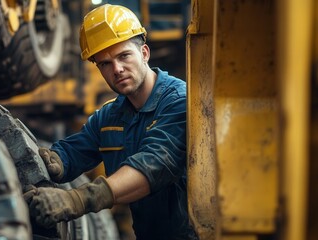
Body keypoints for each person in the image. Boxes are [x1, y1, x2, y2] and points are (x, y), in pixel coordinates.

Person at [23, 4, 198, 239]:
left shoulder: (180, 102)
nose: (117, 69)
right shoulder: (110, 116)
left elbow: (154, 164)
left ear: (144, 53)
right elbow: (76, 150)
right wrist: (52, 161)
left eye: (124, 56)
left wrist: (77, 199)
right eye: (104, 63)